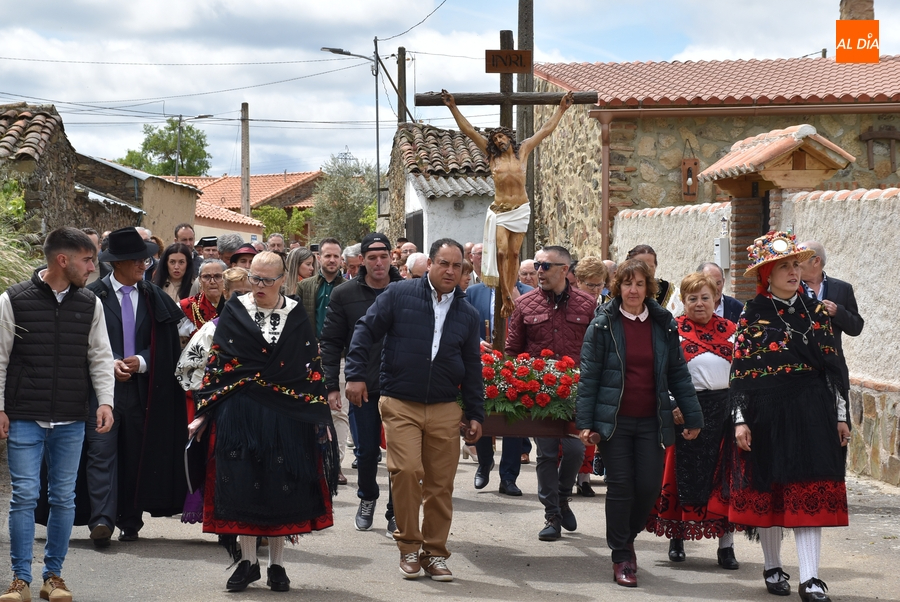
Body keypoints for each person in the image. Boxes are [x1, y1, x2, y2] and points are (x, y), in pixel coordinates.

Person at [708, 232, 850, 602]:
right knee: (769, 491)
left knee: (809, 489)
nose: (793, 271)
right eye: (783, 266)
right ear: (765, 275)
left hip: (813, 413)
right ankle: (772, 566)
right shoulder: (752, 314)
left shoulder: (816, 311)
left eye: (794, 264)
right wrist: (739, 420)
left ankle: (812, 579)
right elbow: (738, 373)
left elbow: (833, 368)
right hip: (764, 414)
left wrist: (840, 415)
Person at [188, 251, 337, 593]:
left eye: (267, 280)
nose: (259, 286)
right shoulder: (235, 309)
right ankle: (248, 562)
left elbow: (309, 366)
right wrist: (204, 413)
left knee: (282, 487)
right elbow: (219, 364)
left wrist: (319, 416)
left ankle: (278, 567)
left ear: (282, 280)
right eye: (255, 278)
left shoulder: (297, 313)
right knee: (242, 486)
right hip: (239, 414)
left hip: (288, 415)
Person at [345, 238, 484, 582]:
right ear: (431, 265)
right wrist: (355, 375)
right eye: (444, 264)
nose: (450, 271)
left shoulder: (468, 314)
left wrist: (476, 413)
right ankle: (409, 545)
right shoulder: (399, 294)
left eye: (457, 266)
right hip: (400, 401)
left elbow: (472, 364)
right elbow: (364, 329)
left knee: (440, 484)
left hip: (444, 406)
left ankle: (435, 553)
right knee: (406, 471)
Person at [0, 228, 115, 602]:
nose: (93, 267)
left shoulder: (90, 304)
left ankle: (54, 576)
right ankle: (20, 579)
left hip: (71, 417)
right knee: (25, 496)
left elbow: (100, 355)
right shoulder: (12, 300)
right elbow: (0, 358)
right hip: (24, 416)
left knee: (64, 497)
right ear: (62, 260)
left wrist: (106, 401)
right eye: (87, 260)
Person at [576, 258, 703, 588]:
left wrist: (693, 414)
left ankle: (626, 537)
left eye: (640, 284)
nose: (633, 290)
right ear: (619, 287)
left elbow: (677, 373)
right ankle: (621, 555)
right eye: (627, 284)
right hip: (614, 422)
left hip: (651, 420)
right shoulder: (603, 324)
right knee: (621, 485)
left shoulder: (663, 324)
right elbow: (588, 377)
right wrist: (586, 422)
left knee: (648, 487)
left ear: (649, 288)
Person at [86, 227, 188, 544]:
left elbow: (165, 343)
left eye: (145, 259)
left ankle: (130, 521)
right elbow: (84, 343)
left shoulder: (152, 296)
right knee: (101, 453)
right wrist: (111, 361)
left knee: (136, 455)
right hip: (101, 392)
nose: (145, 265)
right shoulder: (93, 297)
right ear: (117, 263)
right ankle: (101, 520)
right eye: (137, 260)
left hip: (143, 392)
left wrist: (142, 361)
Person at [443, 89, 574, 318]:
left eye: (501, 137)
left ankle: (508, 290)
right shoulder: (492, 157)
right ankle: (505, 294)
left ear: (508, 137)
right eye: (494, 139)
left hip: (521, 209)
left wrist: (561, 109)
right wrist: (453, 107)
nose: (498, 140)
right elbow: (469, 131)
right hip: (501, 211)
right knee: (501, 252)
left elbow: (544, 131)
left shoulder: (522, 151)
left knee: (514, 254)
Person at [645, 272, 739, 569]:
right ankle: (677, 538)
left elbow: (742, 375)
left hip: (723, 412)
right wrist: (672, 404)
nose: (700, 304)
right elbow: (659, 374)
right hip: (685, 411)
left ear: (716, 299)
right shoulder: (672, 331)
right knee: (680, 478)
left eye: (705, 298)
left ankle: (727, 547)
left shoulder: (733, 330)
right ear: (683, 301)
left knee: (722, 479)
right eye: (693, 298)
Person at [505, 246, 594, 541]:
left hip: (576, 392)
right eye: (537, 265)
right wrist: (520, 378)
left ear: (564, 270)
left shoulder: (587, 304)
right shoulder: (526, 304)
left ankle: (563, 496)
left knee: (574, 450)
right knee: (545, 453)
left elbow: (598, 348)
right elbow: (512, 349)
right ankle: (552, 514)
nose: (539, 271)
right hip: (539, 392)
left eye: (545, 266)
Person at [321, 233, 403, 533]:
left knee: (400, 452)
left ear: (391, 258)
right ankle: (367, 497)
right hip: (361, 385)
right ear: (362, 261)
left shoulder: (406, 290)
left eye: (383, 256)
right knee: (367, 451)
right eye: (372, 257)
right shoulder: (344, 294)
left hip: (400, 385)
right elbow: (330, 342)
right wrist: (332, 386)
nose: (379, 262)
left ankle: (396, 508)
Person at [466, 276, 533, 497]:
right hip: (483, 360)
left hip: (518, 363)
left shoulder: (528, 292)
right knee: (483, 413)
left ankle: (509, 477)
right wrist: (475, 342)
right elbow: (463, 321)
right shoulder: (475, 292)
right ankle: (485, 464)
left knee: (513, 419)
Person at [298, 238, 348, 483]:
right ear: (319, 258)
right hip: (309, 357)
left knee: (339, 412)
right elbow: (298, 321)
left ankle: (336, 465)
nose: (331, 260)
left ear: (341, 259)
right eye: (327, 256)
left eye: (335, 256)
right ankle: (313, 462)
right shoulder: (305, 287)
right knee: (310, 409)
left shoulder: (350, 288)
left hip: (340, 357)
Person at [798, 240, 864, 395]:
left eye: (799, 259)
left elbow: (856, 327)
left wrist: (838, 312)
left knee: (839, 418)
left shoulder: (842, 288)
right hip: (800, 372)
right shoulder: (790, 288)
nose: (795, 265)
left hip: (834, 371)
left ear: (816, 261)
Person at [572, 256, 610, 497]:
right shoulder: (572, 304)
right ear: (577, 282)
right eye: (590, 285)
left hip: (597, 371)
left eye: (599, 285)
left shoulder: (607, 306)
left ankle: (584, 478)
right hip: (573, 368)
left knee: (591, 428)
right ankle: (565, 474)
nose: (595, 290)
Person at [180, 259, 227, 337]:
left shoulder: (235, 306)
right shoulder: (185, 307)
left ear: (226, 279)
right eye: (206, 277)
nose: (212, 281)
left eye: (218, 276)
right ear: (200, 281)